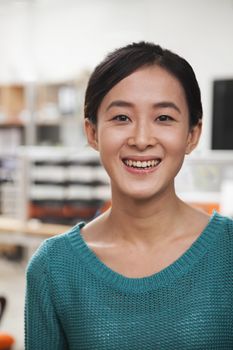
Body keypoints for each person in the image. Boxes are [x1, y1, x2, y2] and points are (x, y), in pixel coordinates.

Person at [25, 42, 233, 349]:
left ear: (192, 135)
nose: (141, 139)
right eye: (121, 117)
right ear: (93, 133)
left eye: (163, 118)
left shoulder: (227, 252)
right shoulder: (53, 268)